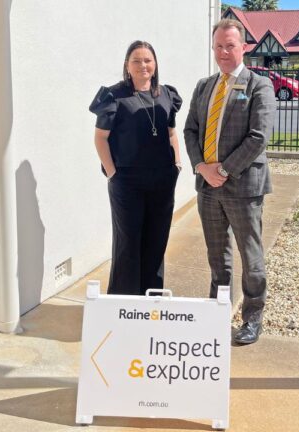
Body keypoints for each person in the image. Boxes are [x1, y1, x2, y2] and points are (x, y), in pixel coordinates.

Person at [183, 19, 275, 345]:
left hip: (243, 188)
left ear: (244, 47)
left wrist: (223, 170)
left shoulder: (258, 86)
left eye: (230, 46)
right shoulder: (204, 86)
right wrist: (200, 166)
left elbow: (258, 137)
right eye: (219, 46)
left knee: (251, 258)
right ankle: (216, 314)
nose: (224, 52)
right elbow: (190, 130)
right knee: (217, 257)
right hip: (208, 189)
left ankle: (252, 318)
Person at [89, 40, 182, 296]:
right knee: (128, 244)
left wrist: (177, 164)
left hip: (162, 180)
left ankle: (150, 303)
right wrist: (112, 173)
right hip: (127, 182)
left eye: (148, 60)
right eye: (137, 60)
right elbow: (100, 138)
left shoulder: (165, 94)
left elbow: (171, 132)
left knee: (156, 241)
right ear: (127, 65)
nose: (143, 65)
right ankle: (124, 305)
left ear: (155, 64)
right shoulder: (114, 96)